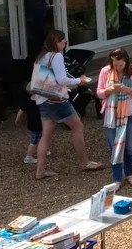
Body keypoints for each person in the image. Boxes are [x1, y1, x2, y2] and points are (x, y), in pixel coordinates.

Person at [31, 30, 98, 179]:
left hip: (42, 98)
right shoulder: (56, 57)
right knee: (78, 126)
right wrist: (79, 81)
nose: (65, 43)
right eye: (63, 41)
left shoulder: (41, 56)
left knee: (46, 135)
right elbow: (62, 80)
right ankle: (84, 162)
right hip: (56, 99)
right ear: (56, 42)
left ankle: (40, 171)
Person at [96, 48, 132, 185]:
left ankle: (129, 173)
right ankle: (117, 178)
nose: (117, 68)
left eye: (120, 65)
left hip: (130, 113)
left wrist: (127, 89)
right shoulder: (105, 71)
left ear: (126, 62)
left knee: (128, 146)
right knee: (114, 146)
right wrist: (109, 90)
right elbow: (99, 92)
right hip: (112, 114)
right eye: (115, 65)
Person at [15, 91, 46, 164]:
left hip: (32, 123)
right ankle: (28, 157)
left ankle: (42, 149)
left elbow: (21, 110)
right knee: (34, 141)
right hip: (37, 124)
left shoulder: (27, 100)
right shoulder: (41, 101)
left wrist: (17, 119)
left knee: (42, 136)